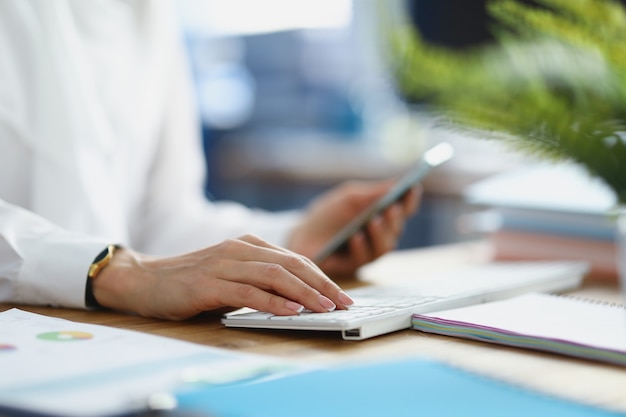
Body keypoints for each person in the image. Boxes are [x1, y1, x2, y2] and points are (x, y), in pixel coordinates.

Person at [0, 0, 420, 320]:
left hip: (96, 338)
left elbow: (162, 219)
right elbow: (140, 270)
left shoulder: (151, 14)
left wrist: (293, 241)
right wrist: (115, 273)